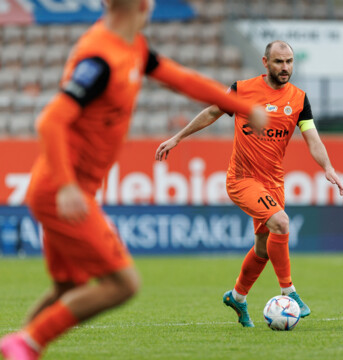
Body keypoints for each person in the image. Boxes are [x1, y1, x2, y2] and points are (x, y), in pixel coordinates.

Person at [0, 0, 266, 358]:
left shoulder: (134, 47)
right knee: (123, 284)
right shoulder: (99, 59)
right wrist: (65, 186)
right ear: (144, 5)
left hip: (62, 189)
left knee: (69, 285)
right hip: (60, 191)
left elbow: (183, 80)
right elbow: (50, 121)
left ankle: (17, 347)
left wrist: (243, 106)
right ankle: (29, 343)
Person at [156, 40, 343, 327]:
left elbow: (312, 138)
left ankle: (237, 297)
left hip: (274, 182)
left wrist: (328, 166)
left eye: (289, 62)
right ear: (265, 62)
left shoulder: (299, 99)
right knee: (281, 223)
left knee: (263, 248)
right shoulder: (242, 90)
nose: (285, 67)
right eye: (279, 62)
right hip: (242, 179)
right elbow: (211, 112)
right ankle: (290, 293)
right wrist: (178, 137)